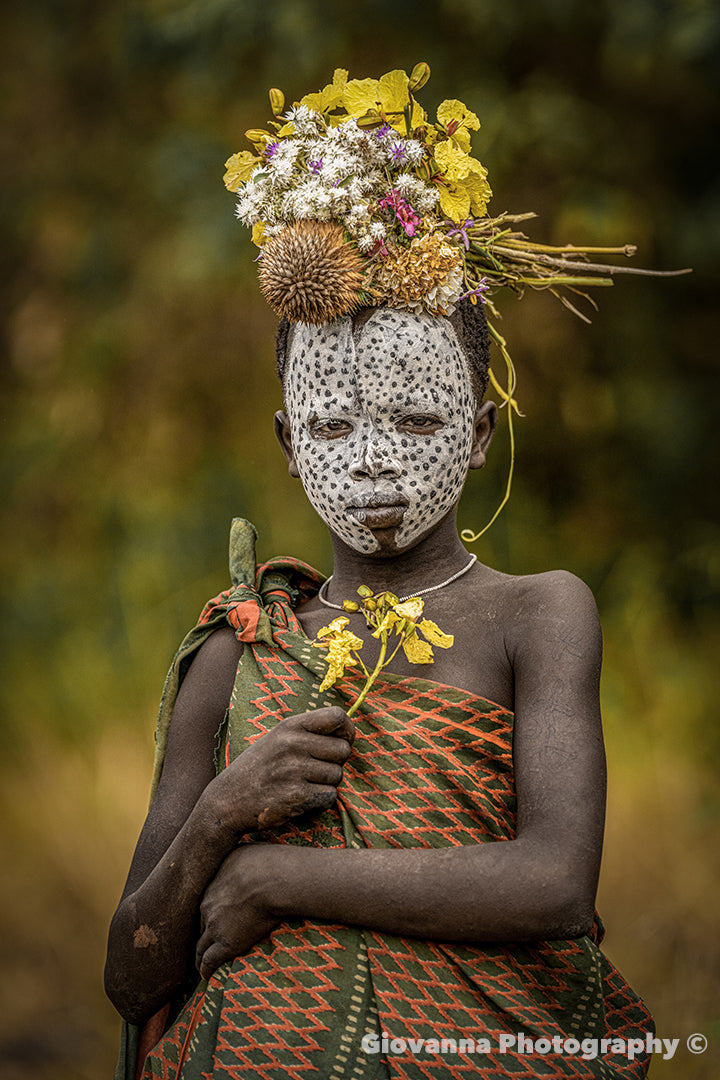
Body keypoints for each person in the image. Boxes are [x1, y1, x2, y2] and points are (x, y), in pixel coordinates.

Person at [105, 65, 658, 1079]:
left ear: (482, 432)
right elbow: (131, 978)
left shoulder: (534, 617)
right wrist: (225, 813)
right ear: (284, 439)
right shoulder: (239, 651)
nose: (370, 456)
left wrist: (277, 877)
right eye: (329, 422)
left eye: (414, 418)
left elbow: (555, 886)